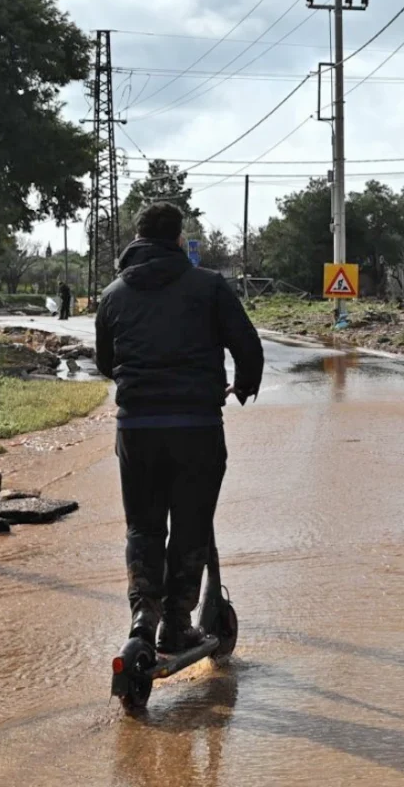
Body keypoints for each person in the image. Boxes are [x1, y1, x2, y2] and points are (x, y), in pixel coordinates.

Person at [94, 202, 265, 654]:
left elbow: (105, 363)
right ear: (177, 240)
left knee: (143, 528)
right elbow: (247, 346)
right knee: (190, 524)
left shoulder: (112, 295)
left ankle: (141, 616)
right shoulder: (209, 286)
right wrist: (243, 386)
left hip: (137, 431)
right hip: (197, 428)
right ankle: (176, 622)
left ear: (137, 239)